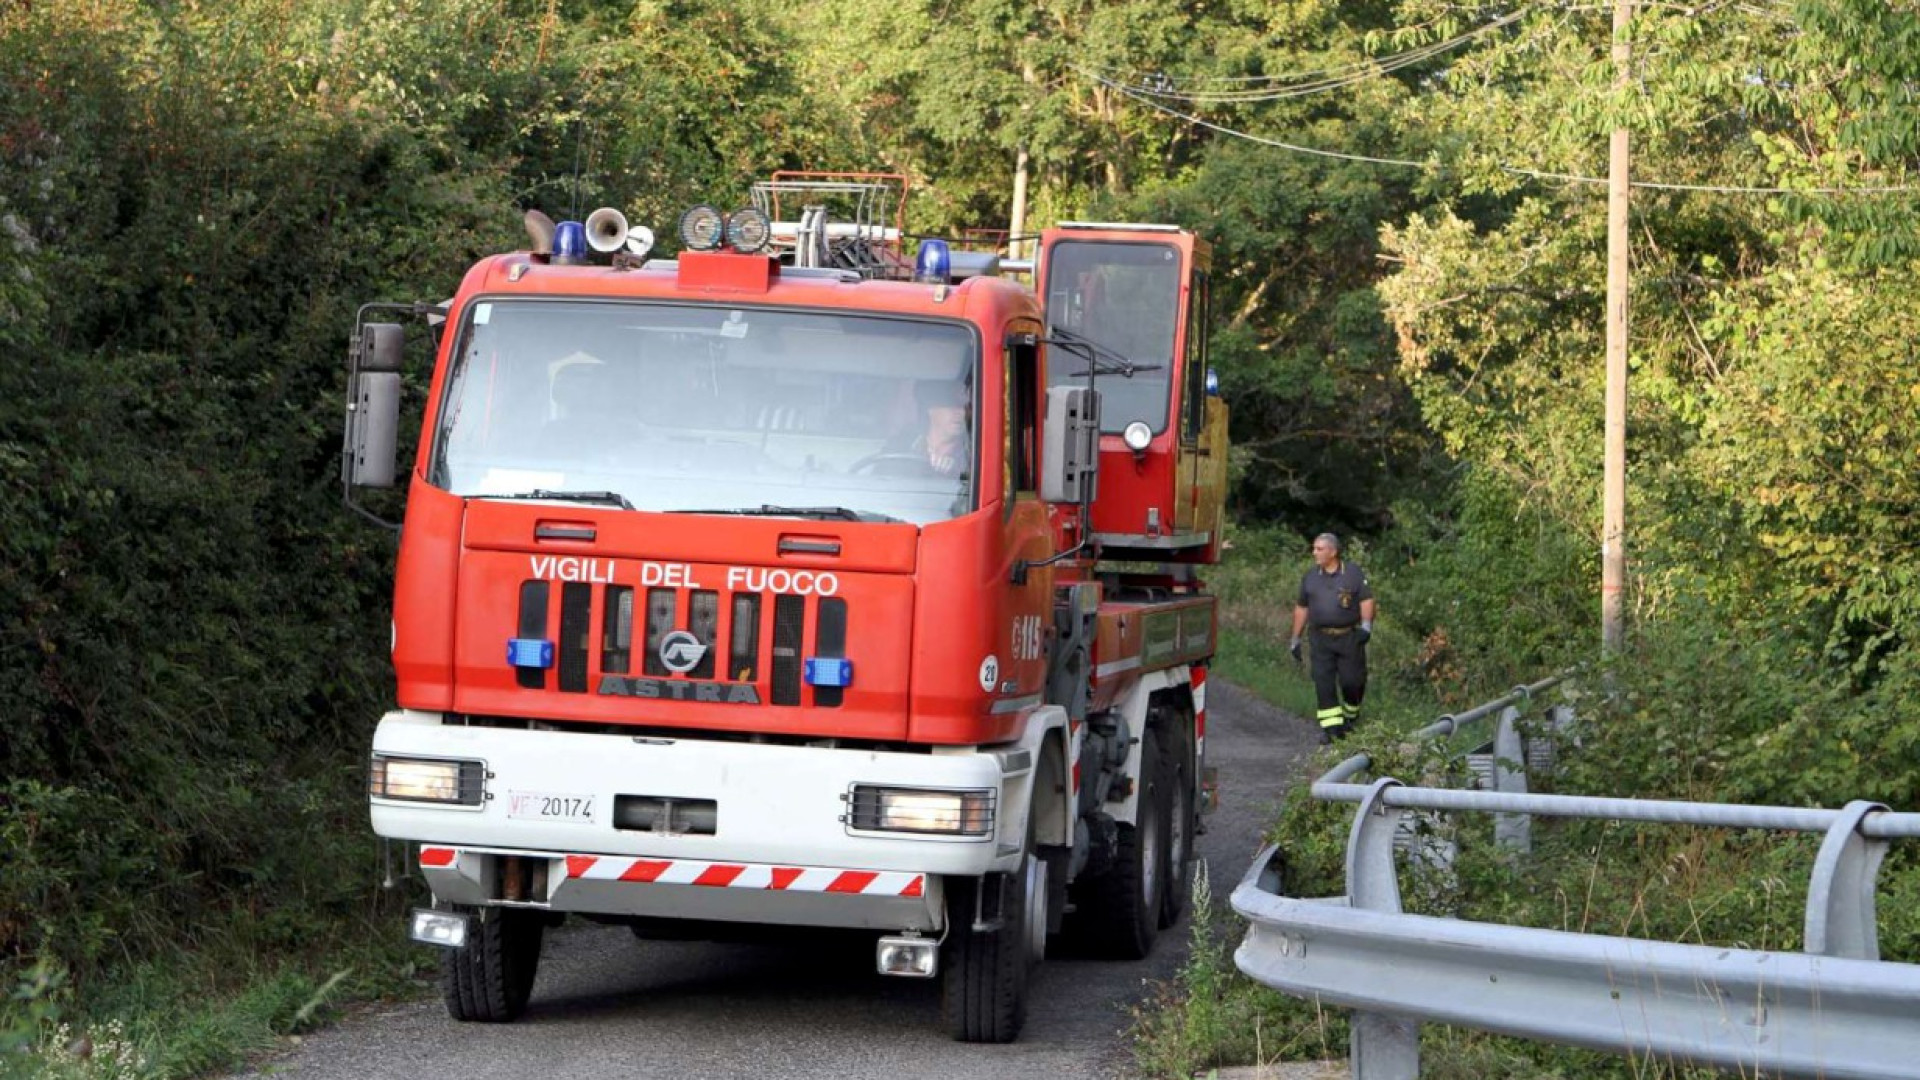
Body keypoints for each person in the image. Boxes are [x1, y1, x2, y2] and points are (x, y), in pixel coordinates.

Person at [1289, 533, 1375, 743]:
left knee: (1352, 681)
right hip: (1320, 638)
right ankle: (1332, 730)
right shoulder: (1310, 577)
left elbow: (1367, 600)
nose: (1314, 553)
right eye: (1315, 548)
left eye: (1319, 549)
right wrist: (1295, 639)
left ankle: (1350, 718)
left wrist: (1366, 627)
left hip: (1348, 637)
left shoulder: (1352, 573)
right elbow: (1302, 608)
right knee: (1323, 683)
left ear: (1333, 552)